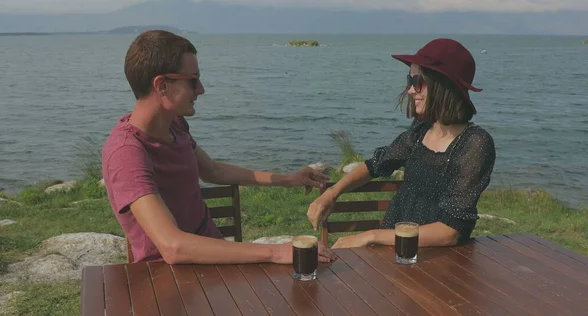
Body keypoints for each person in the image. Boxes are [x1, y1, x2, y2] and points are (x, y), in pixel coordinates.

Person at [101, 30, 336, 264]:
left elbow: (213, 171)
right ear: (161, 85)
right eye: (193, 80)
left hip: (213, 259)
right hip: (168, 278)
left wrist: (288, 179)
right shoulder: (126, 152)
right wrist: (275, 252)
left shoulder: (175, 124)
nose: (201, 89)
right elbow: (173, 247)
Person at [307, 38, 496, 249]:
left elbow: (449, 232)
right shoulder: (421, 130)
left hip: (438, 261)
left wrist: (370, 236)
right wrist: (332, 193)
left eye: (418, 82)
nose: (410, 90)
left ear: (442, 84)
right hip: (394, 249)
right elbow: (375, 165)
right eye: (410, 81)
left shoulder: (475, 144)